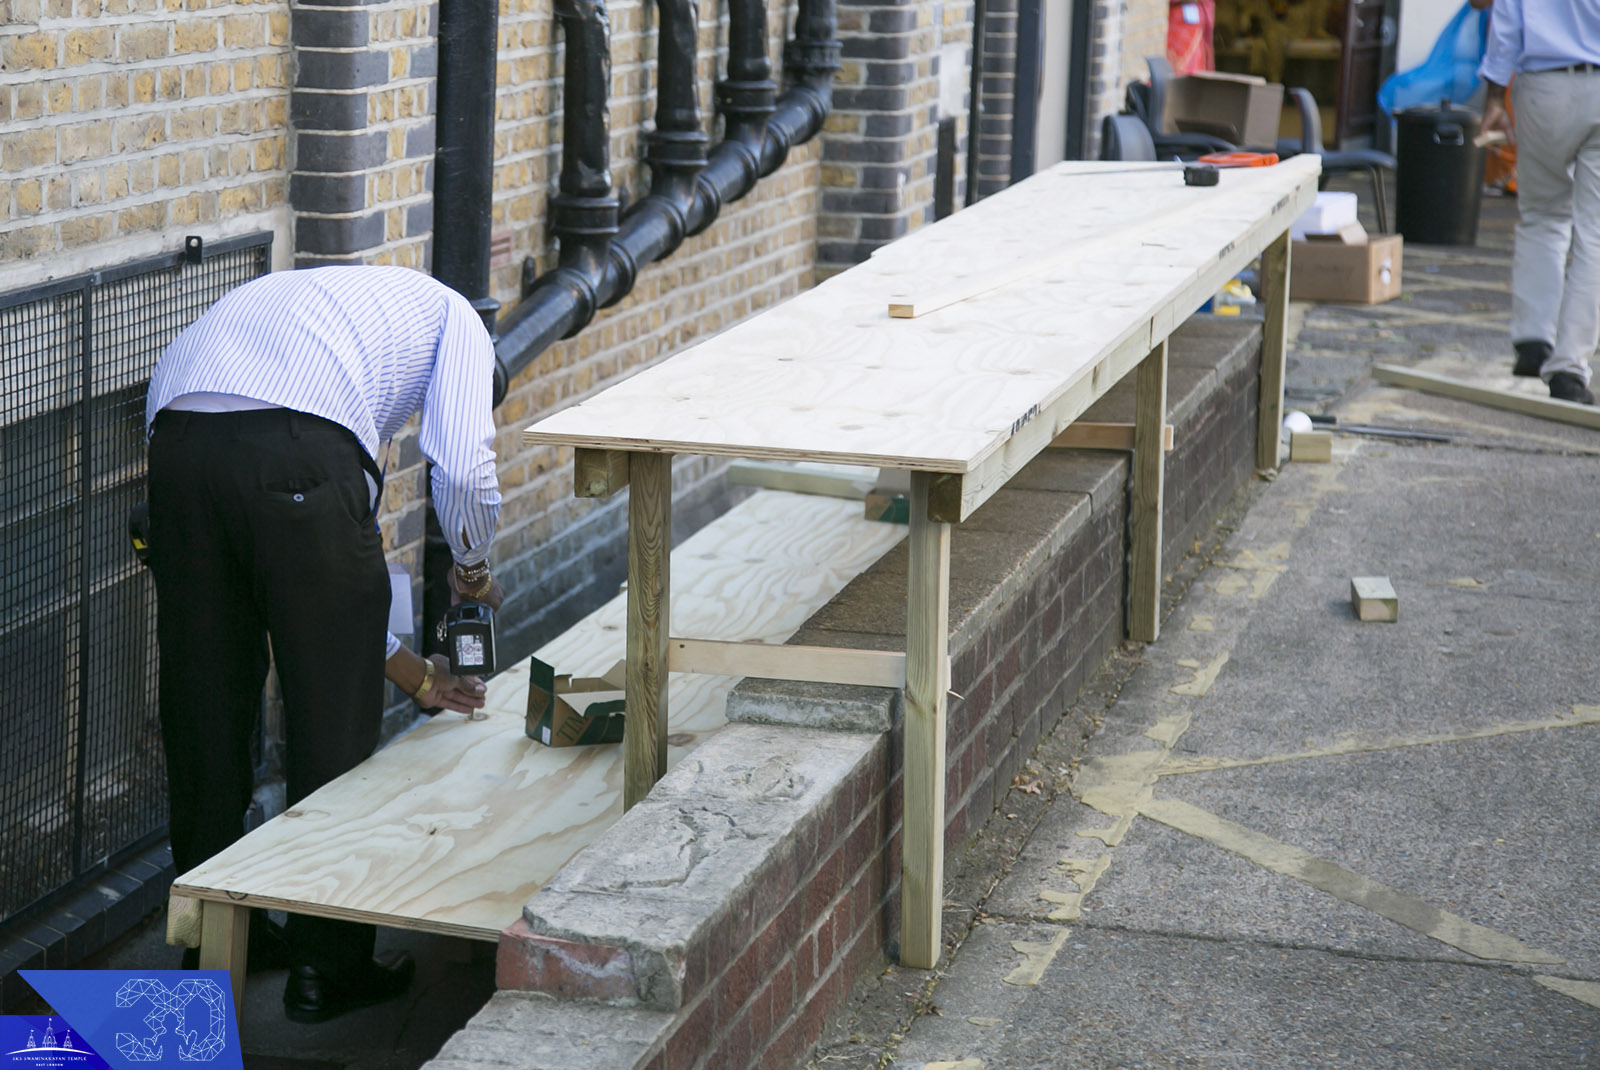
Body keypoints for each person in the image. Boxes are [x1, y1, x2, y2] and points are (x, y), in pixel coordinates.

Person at [144, 265, 505, 1021]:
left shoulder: (336, 308)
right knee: (329, 724)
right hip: (296, 449)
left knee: (204, 706)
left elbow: (332, 608)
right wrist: (471, 569)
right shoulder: (461, 321)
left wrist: (417, 677)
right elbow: (466, 468)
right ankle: (327, 966)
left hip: (176, 445)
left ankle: (212, 947)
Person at [1478, 0, 1600, 405]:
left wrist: (1494, 97)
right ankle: (1568, 369)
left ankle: (1533, 342)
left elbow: (1505, 22)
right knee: (1594, 236)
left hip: (1543, 88)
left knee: (1542, 216)